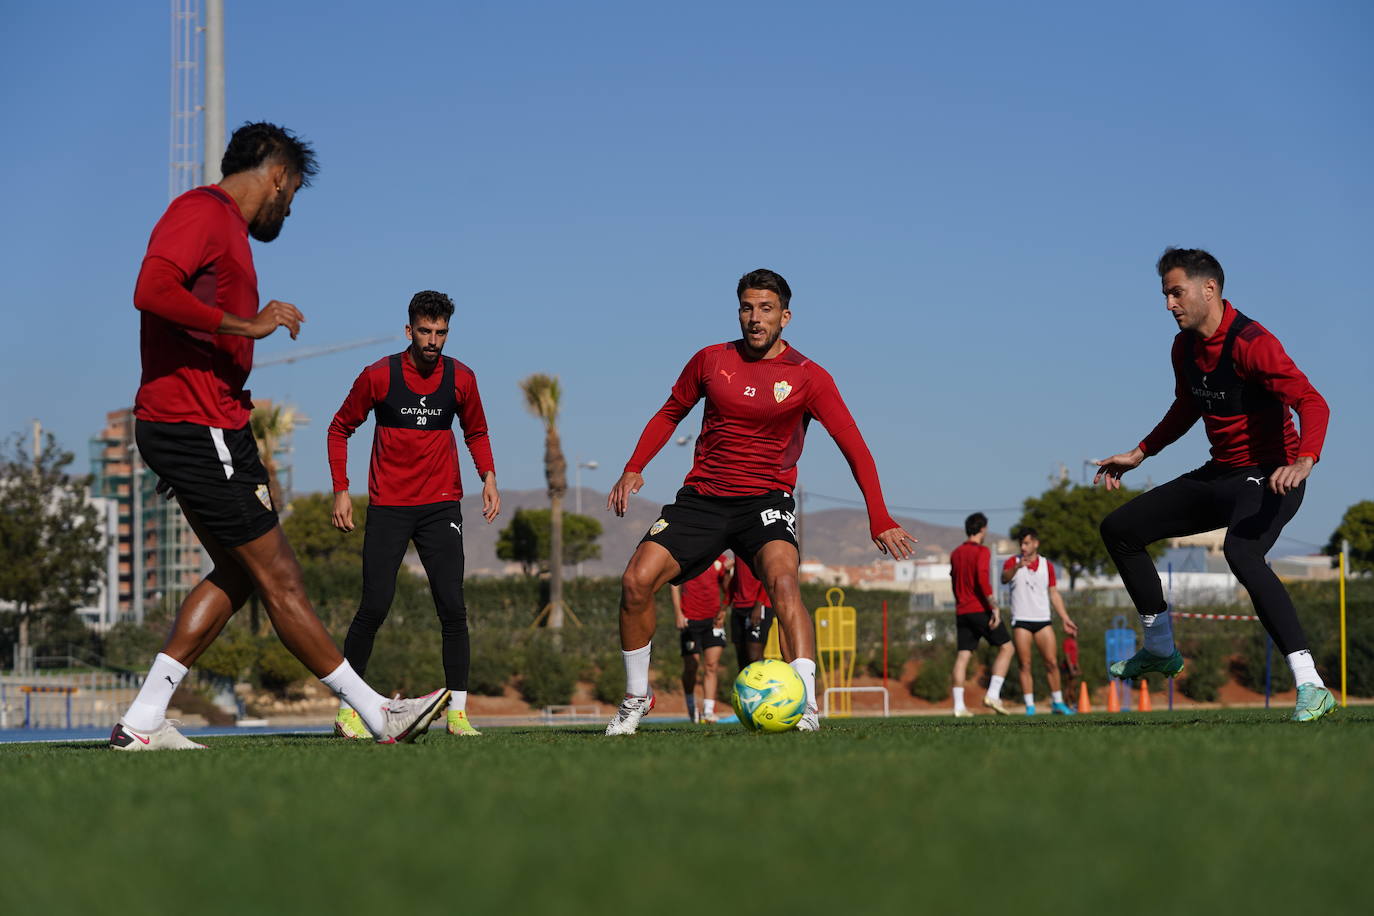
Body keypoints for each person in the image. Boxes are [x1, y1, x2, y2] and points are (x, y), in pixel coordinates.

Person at [111, 122, 450, 751]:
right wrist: (248, 322)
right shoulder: (201, 213)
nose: (289, 207)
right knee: (282, 578)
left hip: (207, 424)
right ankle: (378, 713)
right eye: (291, 192)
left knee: (239, 575)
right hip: (195, 423)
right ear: (276, 176)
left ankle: (143, 720)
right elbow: (150, 290)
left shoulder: (228, 234)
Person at [604, 268, 916, 735]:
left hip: (766, 501)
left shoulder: (810, 377)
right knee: (635, 581)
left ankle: (807, 705)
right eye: (747, 308)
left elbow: (853, 444)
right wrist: (634, 465)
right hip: (703, 500)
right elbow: (670, 413)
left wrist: (879, 516)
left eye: (766, 309)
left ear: (785, 317)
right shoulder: (710, 361)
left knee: (784, 583)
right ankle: (635, 699)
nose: (755, 318)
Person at [1095, 247, 1334, 722]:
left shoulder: (1252, 343)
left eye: (1176, 292)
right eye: (1165, 294)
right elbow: (1188, 405)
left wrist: (1305, 460)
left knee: (1242, 553)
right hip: (1221, 473)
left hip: (1272, 474)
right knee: (1119, 529)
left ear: (1210, 289)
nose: (1169, 304)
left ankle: (1312, 684)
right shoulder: (1183, 347)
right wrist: (1140, 453)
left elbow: (1312, 401)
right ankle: (1160, 647)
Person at [326, 290, 500, 739]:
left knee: (453, 607)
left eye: (441, 332)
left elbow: (476, 430)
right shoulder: (378, 376)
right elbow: (339, 427)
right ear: (409, 330)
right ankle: (350, 711)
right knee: (374, 606)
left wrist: (489, 477)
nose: (433, 340)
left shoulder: (462, 377)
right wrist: (341, 491)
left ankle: (458, 715)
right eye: (425, 331)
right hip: (388, 506)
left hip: (441, 504)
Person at [1000, 527, 1077, 715]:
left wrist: (1065, 618)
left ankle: (1058, 702)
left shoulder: (1046, 565)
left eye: (1026, 543)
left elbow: (1053, 593)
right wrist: (1017, 567)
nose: (1023, 547)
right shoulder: (1013, 562)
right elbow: (1004, 578)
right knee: (1025, 665)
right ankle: (1030, 706)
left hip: (1043, 620)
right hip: (1021, 621)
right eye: (1021, 543)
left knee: (1051, 662)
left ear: (1035, 543)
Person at [949, 512, 1014, 717]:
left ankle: (959, 707)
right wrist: (994, 606)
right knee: (1007, 647)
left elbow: (954, 580)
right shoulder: (982, 551)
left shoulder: (955, 553)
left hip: (962, 610)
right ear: (983, 529)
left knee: (963, 657)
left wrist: (960, 601)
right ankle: (993, 694)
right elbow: (982, 579)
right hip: (979, 609)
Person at [672, 554, 730, 723]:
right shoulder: (688, 554)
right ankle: (691, 706)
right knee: (691, 667)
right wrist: (678, 613)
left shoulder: (720, 560)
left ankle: (708, 711)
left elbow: (729, 590)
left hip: (713, 622)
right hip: (690, 620)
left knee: (711, 666)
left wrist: (728, 573)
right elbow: (674, 584)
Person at [726, 551, 774, 671]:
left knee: (754, 658)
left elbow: (768, 573)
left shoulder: (759, 542)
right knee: (742, 660)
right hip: (738, 607)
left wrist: (759, 605)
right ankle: (744, 690)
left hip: (758, 606)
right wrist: (724, 605)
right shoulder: (737, 545)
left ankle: (762, 689)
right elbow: (736, 577)